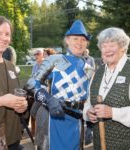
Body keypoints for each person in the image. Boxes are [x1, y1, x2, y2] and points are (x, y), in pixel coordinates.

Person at [25, 19, 93, 150]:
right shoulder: (54, 60)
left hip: (77, 122)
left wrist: (89, 124)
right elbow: (31, 84)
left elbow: (90, 98)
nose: (79, 42)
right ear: (67, 40)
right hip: (54, 119)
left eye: (83, 40)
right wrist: (48, 99)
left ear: (87, 43)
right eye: (75, 38)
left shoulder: (89, 68)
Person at [83, 27, 130, 150]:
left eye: (112, 45)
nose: (107, 50)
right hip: (99, 146)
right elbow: (88, 103)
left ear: (123, 47)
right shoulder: (97, 73)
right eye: (104, 46)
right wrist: (88, 112)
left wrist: (112, 112)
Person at [0, 15, 28, 150]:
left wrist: (23, 105)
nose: (4, 38)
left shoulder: (10, 66)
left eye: (7, 34)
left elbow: (17, 96)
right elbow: (4, 100)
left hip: (13, 138)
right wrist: (0, 101)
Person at [83, 48, 95, 145]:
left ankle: (89, 131)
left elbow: (92, 74)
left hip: (88, 87)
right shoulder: (79, 61)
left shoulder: (89, 61)